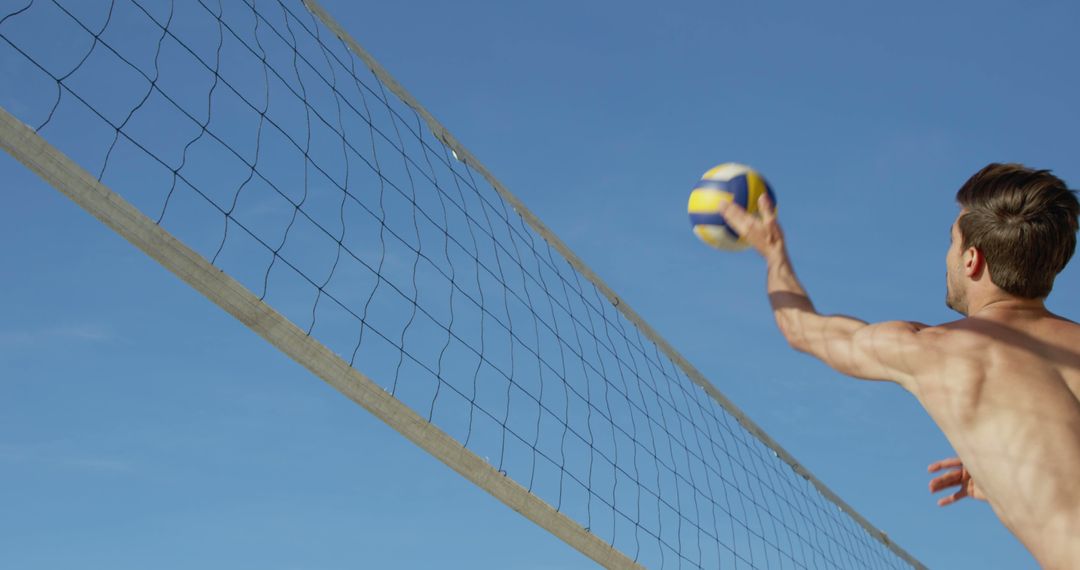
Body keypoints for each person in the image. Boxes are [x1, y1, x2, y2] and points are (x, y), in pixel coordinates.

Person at [716, 163, 1080, 569]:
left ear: (972, 260)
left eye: (952, 242)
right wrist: (1022, 470)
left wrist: (772, 252)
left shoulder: (936, 351)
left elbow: (801, 329)